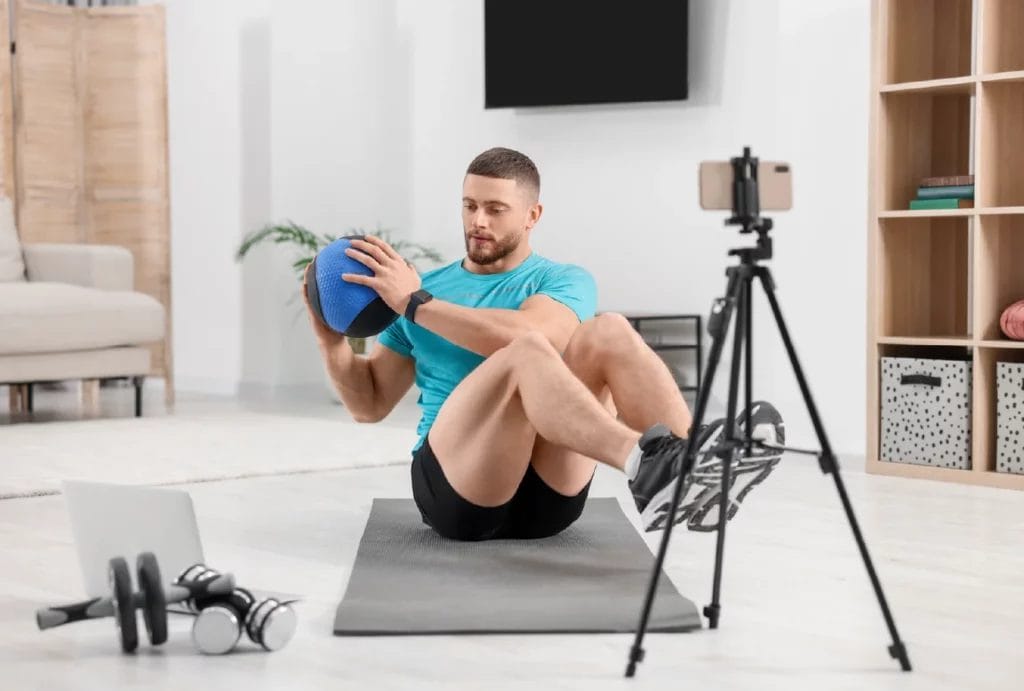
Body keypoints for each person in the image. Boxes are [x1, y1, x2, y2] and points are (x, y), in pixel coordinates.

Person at [303, 147, 784, 541]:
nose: (478, 221)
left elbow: (534, 332)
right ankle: (648, 465)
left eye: (495, 209)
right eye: (470, 206)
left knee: (606, 329)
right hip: (458, 490)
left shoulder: (558, 280)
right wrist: (330, 340)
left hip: (547, 497)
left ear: (532, 215)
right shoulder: (423, 290)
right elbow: (369, 404)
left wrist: (415, 303)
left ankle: (692, 467)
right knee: (525, 355)